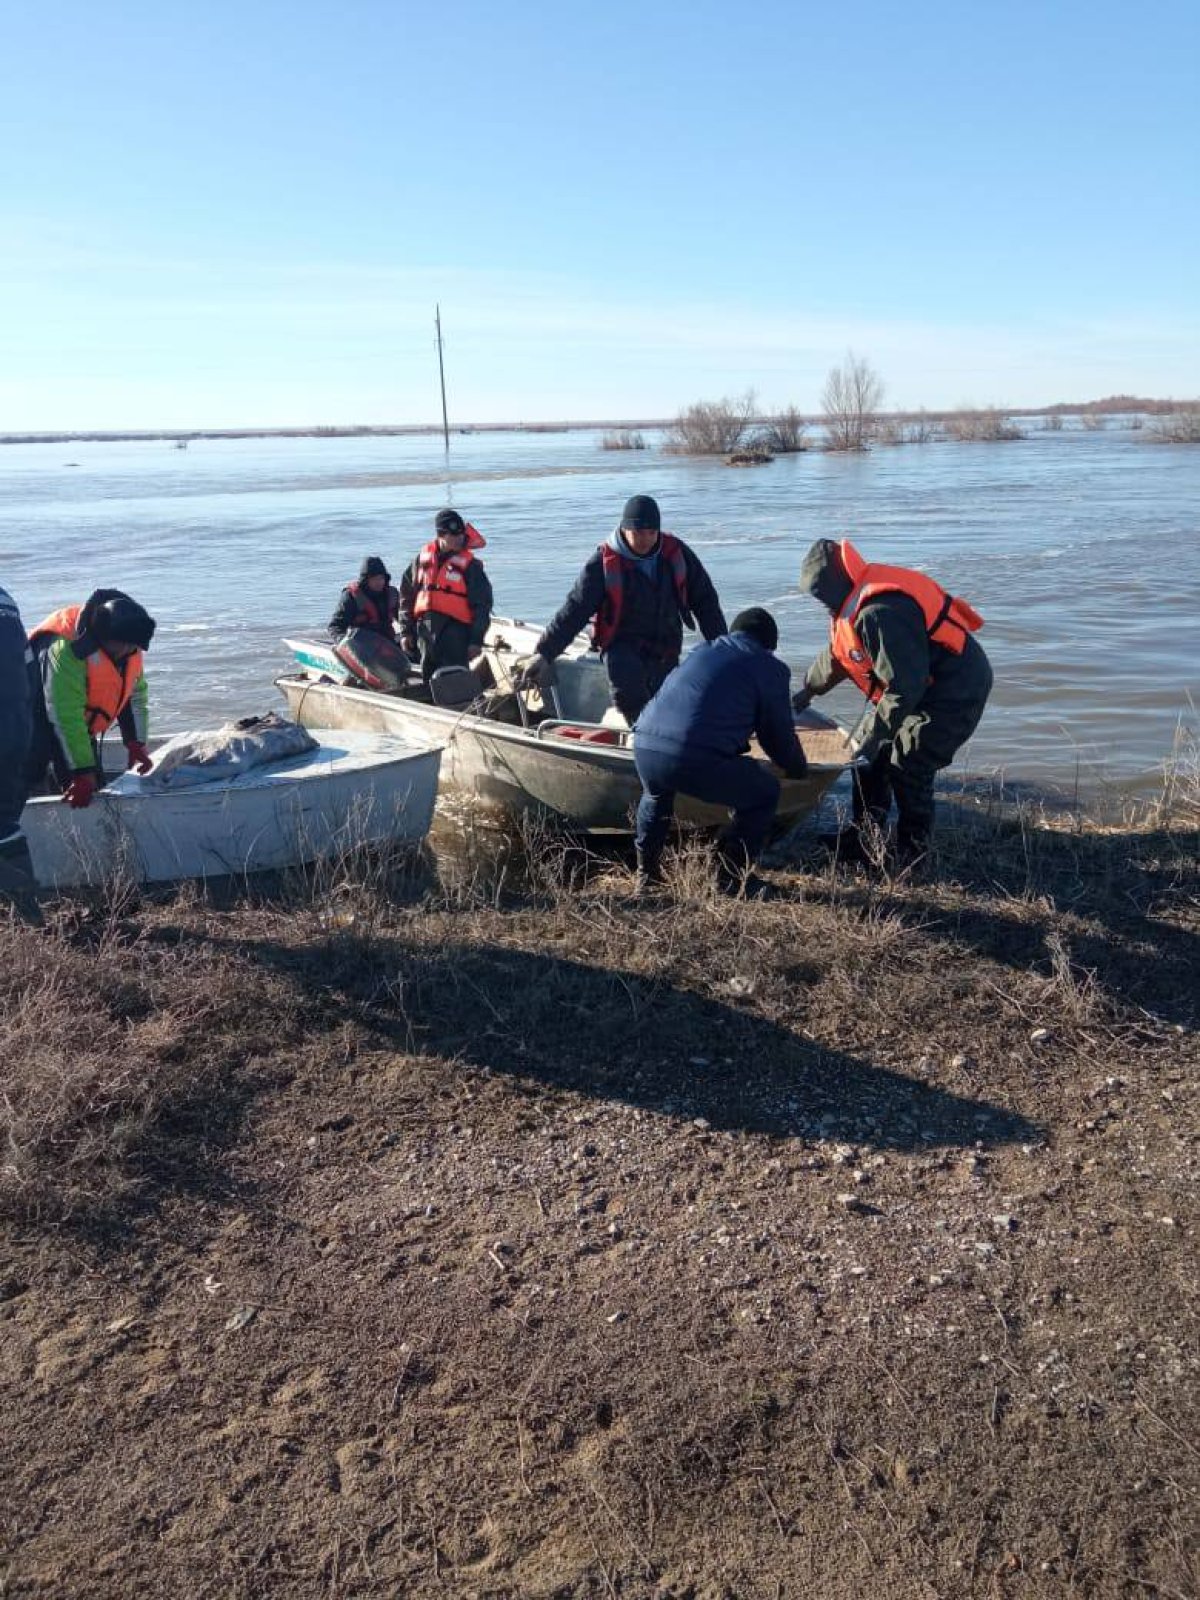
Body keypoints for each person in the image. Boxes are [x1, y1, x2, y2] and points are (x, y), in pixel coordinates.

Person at [794, 537, 993, 866]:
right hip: (920, 684)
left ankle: (912, 852)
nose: (823, 605)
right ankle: (864, 839)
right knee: (867, 760)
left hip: (954, 688)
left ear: (837, 586)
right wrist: (806, 692)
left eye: (823, 597)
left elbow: (904, 688)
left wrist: (874, 735)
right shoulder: (852, 602)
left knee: (908, 761)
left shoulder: (879, 612)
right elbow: (839, 655)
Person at [632, 607, 809, 897]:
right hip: (693, 755)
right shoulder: (770, 667)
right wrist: (797, 768)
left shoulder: (702, 651)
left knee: (655, 797)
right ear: (770, 645)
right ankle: (732, 879)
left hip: (645, 744)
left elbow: (700, 707)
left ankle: (646, 878)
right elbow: (777, 736)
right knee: (763, 793)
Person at [520, 494, 727, 724]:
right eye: (638, 532)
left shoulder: (675, 554)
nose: (645, 540)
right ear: (625, 529)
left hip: (665, 645)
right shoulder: (603, 563)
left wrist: (724, 648)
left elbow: (705, 601)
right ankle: (640, 740)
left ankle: (661, 743)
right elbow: (575, 609)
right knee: (630, 696)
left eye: (651, 532)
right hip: (622, 646)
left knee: (667, 702)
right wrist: (546, 653)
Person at [25, 589, 156, 808]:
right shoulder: (67, 649)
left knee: (94, 791)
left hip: (78, 724)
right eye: (123, 646)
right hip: (33, 717)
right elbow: (64, 714)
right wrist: (82, 772)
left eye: (133, 647)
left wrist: (136, 743)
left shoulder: (130, 646)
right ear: (104, 638)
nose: (128, 651)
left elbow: (134, 695)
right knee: (32, 773)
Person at [398, 509, 493, 683]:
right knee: (429, 678)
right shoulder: (421, 560)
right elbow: (406, 597)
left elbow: (482, 606)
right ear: (440, 535)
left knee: (456, 680)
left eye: (461, 534)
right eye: (453, 535)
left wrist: (475, 641)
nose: (459, 538)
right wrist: (406, 631)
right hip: (426, 628)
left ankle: (461, 708)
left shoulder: (470, 566)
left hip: (455, 631)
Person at [0, 583, 40, 920]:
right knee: (5, 823)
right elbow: (30, 671)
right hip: (16, 729)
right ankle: (29, 915)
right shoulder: (7, 601)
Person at [329, 556, 401, 642]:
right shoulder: (351, 597)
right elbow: (335, 626)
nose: (379, 582)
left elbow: (403, 619)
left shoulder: (392, 594)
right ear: (365, 580)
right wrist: (344, 642)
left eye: (381, 578)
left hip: (387, 644)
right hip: (361, 646)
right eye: (374, 579)